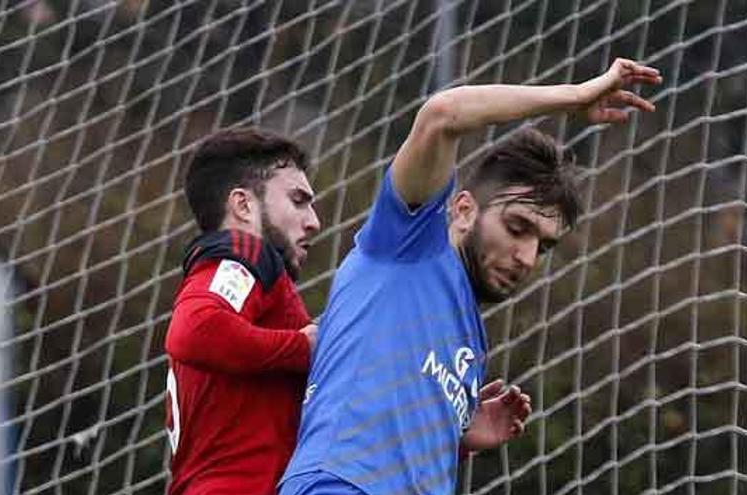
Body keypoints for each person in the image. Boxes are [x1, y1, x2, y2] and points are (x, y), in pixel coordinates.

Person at [279, 58, 662, 494]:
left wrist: (453, 434)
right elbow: (441, 115)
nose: (527, 256)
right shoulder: (410, 242)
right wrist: (572, 96)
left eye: (544, 245)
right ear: (463, 211)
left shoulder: (471, 342)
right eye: (517, 228)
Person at [164, 128, 321, 494]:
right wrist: (304, 348)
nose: (314, 220)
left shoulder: (252, 294)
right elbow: (195, 330)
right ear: (243, 205)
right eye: (298, 200)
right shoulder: (242, 255)